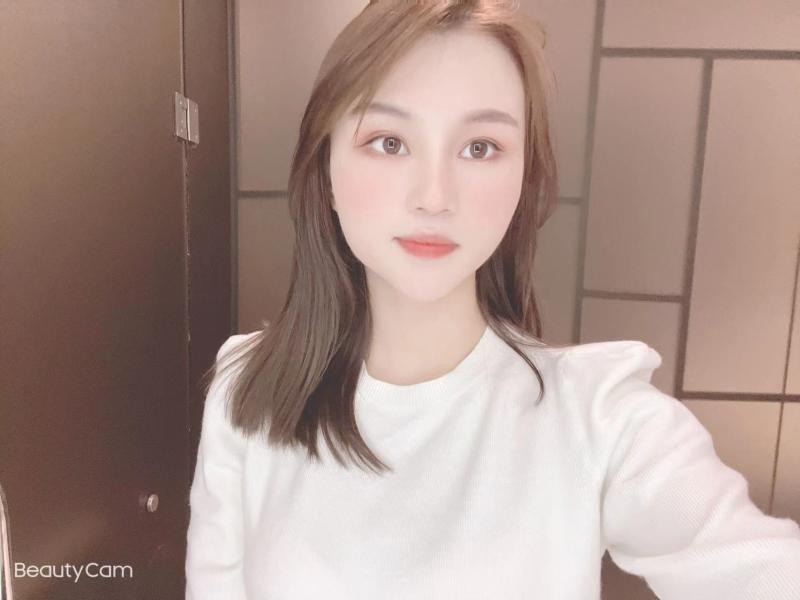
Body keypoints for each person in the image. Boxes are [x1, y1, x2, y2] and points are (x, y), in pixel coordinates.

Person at [185, 1, 800, 598]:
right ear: (326, 170)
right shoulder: (246, 390)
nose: (434, 196)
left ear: (523, 178)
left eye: (479, 147)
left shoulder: (600, 420)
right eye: (389, 141)